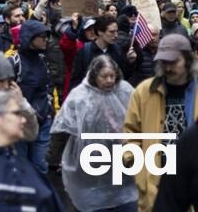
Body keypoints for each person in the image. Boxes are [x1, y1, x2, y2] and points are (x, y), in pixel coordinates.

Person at [49, 55, 137, 212]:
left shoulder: (124, 90)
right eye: (104, 76)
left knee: (123, 198)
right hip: (89, 160)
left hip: (120, 159)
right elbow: (62, 130)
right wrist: (54, 158)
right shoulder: (80, 96)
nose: (110, 80)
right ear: (94, 75)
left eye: (112, 76)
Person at [124, 34, 198, 210]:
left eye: (173, 62)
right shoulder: (143, 92)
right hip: (155, 183)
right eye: (163, 62)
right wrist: (135, 164)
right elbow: (131, 132)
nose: (167, 67)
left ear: (188, 60)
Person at [13, 19, 55, 174]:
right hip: (20, 124)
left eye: (47, 36)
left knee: (40, 165)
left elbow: (49, 86)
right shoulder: (14, 62)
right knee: (20, 167)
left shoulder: (43, 60)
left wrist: (50, 109)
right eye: (42, 36)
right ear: (30, 38)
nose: (46, 40)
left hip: (43, 121)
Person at [69, 15, 128, 88]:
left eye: (116, 31)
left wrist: (131, 62)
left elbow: (124, 77)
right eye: (111, 32)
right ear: (100, 32)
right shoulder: (85, 51)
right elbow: (75, 81)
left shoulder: (118, 50)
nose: (116, 35)